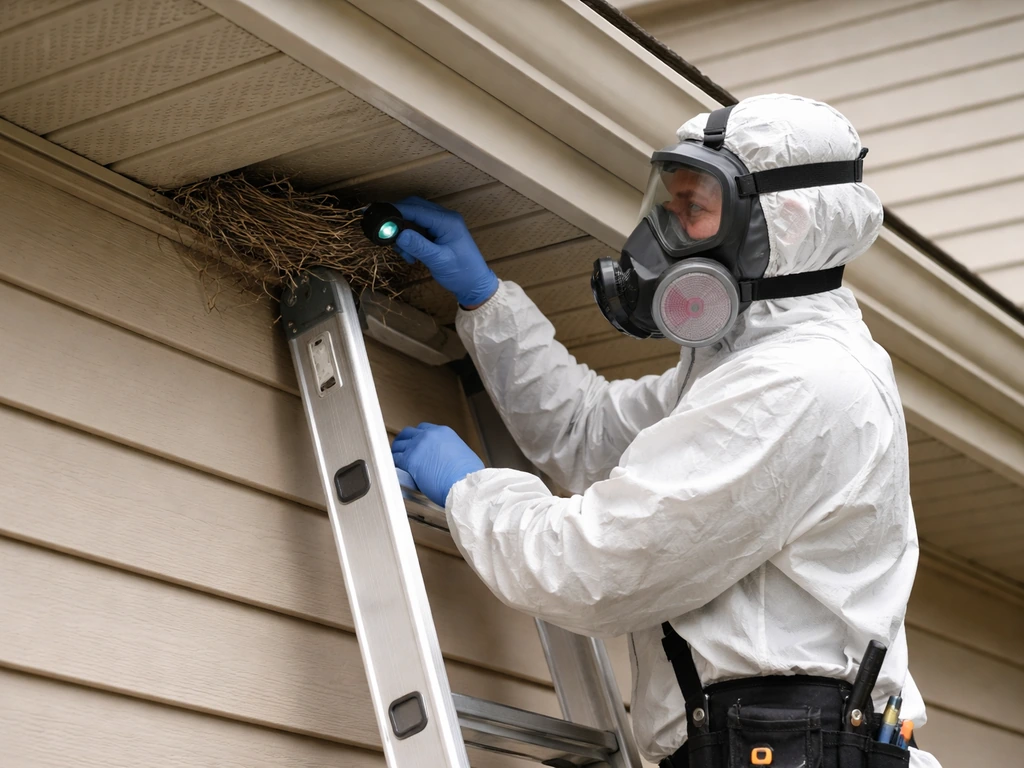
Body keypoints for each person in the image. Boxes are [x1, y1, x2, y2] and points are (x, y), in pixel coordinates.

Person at [390, 94, 941, 768]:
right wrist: (485, 300)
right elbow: (587, 431)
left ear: (783, 224)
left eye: (693, 209)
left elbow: (599, 567)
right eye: (666, 202)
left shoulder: (796, 384)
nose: (664, 234)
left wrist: (471, 491)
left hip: (785, 749)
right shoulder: (745, 369)